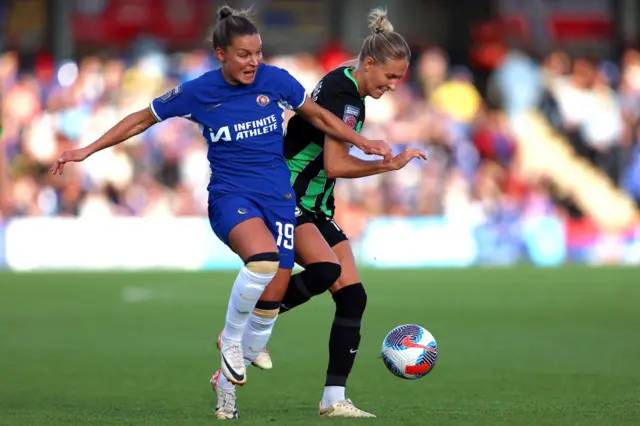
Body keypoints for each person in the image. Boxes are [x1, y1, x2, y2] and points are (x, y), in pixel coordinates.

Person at [50, 5, 393, 420]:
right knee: (263, 261)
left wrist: (365, 141)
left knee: (270, 303)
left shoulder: (277, 81)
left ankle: (226, 388)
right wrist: (86, 150)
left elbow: (318, 116)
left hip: (279, 200)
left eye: (258, 53)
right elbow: (142, 119)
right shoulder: (199, 91)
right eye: (245, 55)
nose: (254, 62)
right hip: (231, 196)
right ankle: (231, 338)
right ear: (221, 55)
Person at [211, 7, 425, 419]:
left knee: (353, 297)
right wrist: (388, 164)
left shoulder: (348, 78)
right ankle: (239, 334)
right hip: (290, 196)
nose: (394, 85)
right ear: (369, 64)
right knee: (326, 270)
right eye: (390, 76)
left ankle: (332, 399)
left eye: (399, 78)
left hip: (316, 202)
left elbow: (330, 161)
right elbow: (334, 165)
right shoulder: (347, 101)